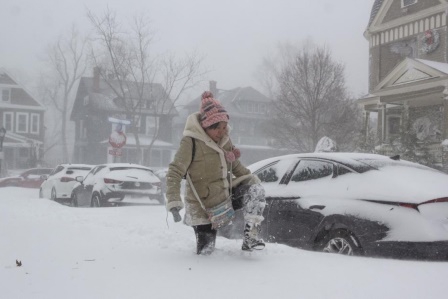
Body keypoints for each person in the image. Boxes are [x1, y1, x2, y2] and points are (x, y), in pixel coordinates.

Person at [165, 91, 266, 255]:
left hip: (225, 196)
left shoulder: (225, 140)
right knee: (206, 251)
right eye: (217, 128)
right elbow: (174, 171)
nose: (222, 131)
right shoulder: (191, 142)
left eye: (224, 126)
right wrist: (174, 202)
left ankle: (251, 238)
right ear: (206, 126)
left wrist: (255, 181)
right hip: (202, 205)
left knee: (255, 190)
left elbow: (236, 166)